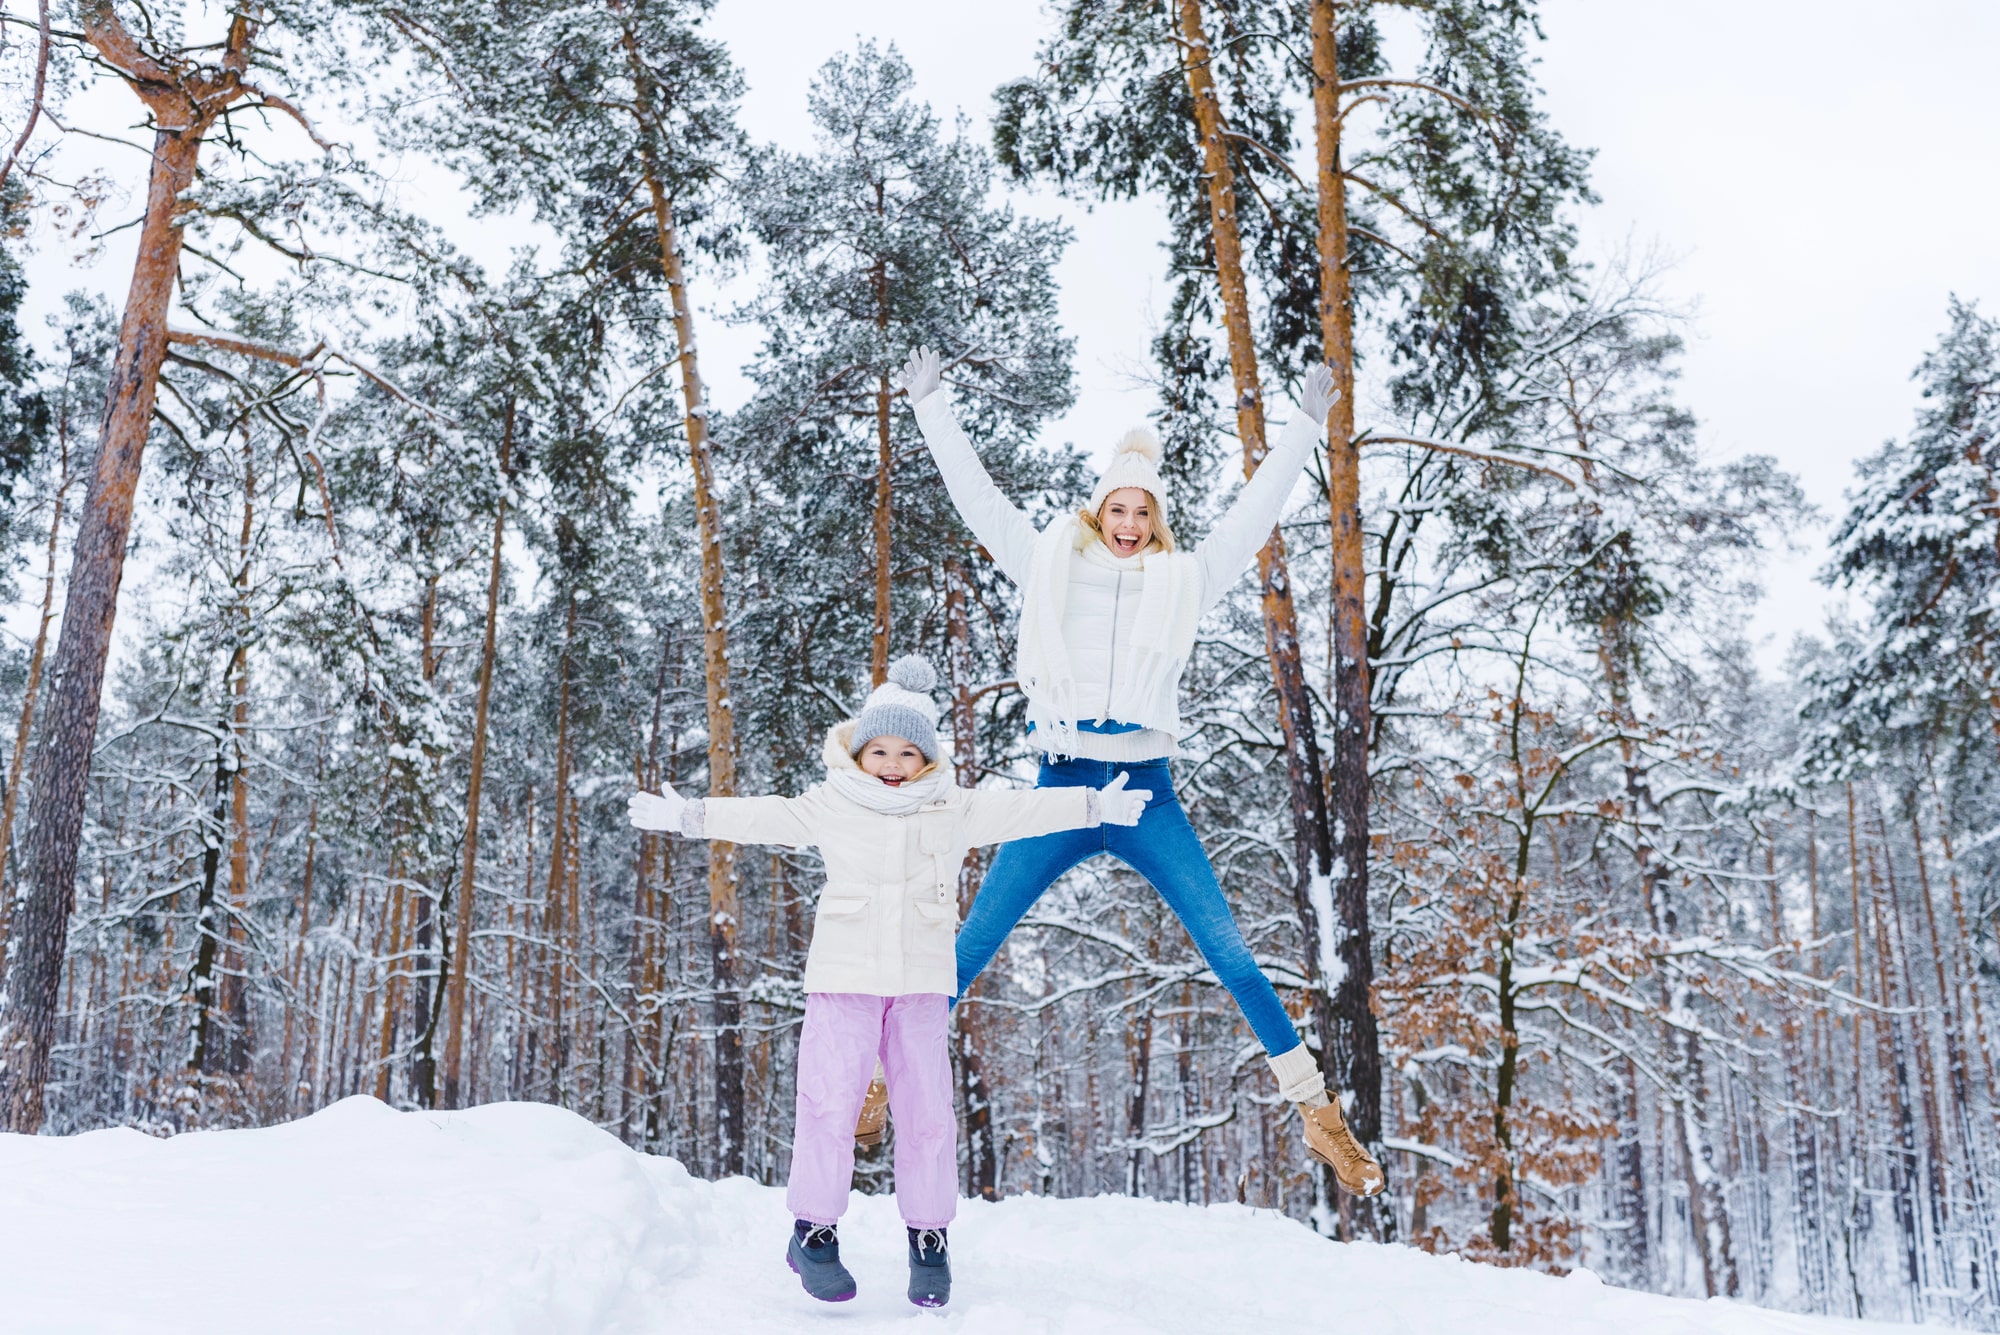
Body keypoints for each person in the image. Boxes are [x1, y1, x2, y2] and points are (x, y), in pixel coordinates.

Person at [889, 346, 1384, 1197]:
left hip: (1145, 790)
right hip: (1061, 785)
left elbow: (1253, 513)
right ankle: (876, 1081)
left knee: (1229, 950)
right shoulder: (1050, 561)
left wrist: (1304, 425)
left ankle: (1319, 1113)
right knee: (969, 942)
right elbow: (979, 501)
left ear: (1156, 517)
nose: (1127, 521)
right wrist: (932, 408)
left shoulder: (1183, 578)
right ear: (1099, 509)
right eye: (1116, 507)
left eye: (1140, 510)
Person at [628, 655, 1152, 1307]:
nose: (894, 762)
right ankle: (813, 1230)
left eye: (908, 751)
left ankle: (928, 1237)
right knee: (829, 1102)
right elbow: (767, 818)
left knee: (928, 1111)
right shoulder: (832, 803)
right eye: (880, 749)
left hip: (922, 983)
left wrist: (1094, 802)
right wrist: (693, 815)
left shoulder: (950, 808)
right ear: (860, 749)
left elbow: (1021, 811)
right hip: (844, 977)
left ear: (927, 758)